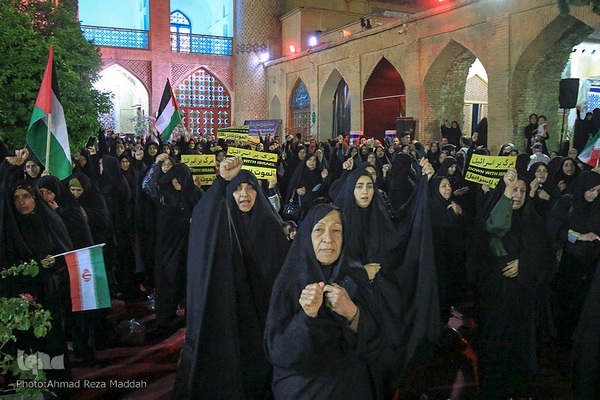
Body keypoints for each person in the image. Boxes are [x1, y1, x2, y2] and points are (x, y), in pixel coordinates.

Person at [173, 157, 289, 399]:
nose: (244, 194)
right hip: (231, 309)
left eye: (249, 188)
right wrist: (221, 182)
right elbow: (203, 216)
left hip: (262, 314)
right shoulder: (222, 225)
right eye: (237, 189)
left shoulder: (271, 227)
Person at [264, 203, 381, 399]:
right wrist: (306, 317)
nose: (328, 238)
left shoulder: (356, 274)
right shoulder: (289, 280)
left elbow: (377, 339)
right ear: (307, 236)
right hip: (305, 383)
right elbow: (278, 353)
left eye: (336, 230)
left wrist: (352, 313)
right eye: (319, 230)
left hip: (350, 381)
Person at [142, 156, 203, 334]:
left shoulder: (196, 194)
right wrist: (156, 165)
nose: (176, 183)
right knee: (167, 280)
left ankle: (191, 320)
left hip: (189, 247)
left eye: (180, 180)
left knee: (189, 282)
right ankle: (164, 320)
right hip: (167, 246)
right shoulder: (163, 193)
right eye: (174, 179)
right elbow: (147, 186)